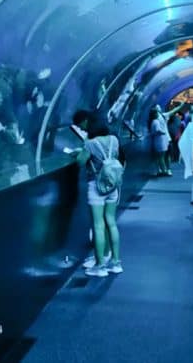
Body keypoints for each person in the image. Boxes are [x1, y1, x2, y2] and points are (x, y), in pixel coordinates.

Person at [76, 119, 124, 277]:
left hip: (96, 186)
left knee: (98, 225)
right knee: (111, 222)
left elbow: (80, 162)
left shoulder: (90, 143)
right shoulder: (114, 140)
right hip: (112, 185)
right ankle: (116, 262)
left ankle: (100, 265)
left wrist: (83, 147)